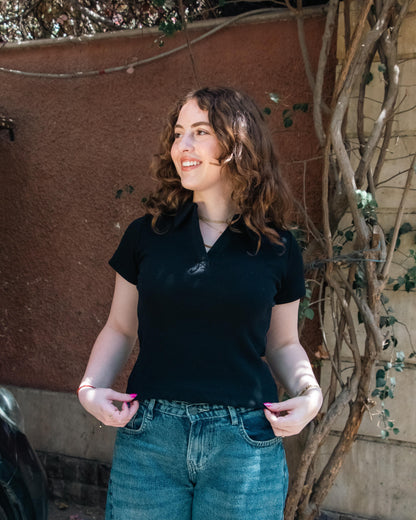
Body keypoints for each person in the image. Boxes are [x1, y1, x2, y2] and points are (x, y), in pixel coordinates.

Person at [78, 86, 323, 520]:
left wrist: (310, 395)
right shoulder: (146, 234)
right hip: (151, 437)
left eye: (200, 131)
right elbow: (120, 327)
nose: (182, 146)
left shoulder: (278, 247)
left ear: (237, 145)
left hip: (245, 441)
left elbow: (282, 343)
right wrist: (89, 389)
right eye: (178, 133)